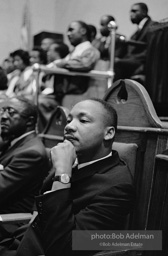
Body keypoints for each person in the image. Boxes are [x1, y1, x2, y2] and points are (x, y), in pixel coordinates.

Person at [12, 98, 134, 256]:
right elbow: (39, 207)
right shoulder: (73, 159)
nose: (68, 126)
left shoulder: (118, 187)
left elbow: (67, 246)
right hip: (21, 241)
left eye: (83, 120)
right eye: (69, 120)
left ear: (109, 133)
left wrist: (63, 173)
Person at [0, 96, 50, 216]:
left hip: (8, 221)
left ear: (29, 121)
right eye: (3, 111)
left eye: (11, 112)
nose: (3, 117)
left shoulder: (31, 154)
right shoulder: (13, 142)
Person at [114, 2, 156, 81]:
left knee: (117, 63)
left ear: (144, 12)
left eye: (134, 11)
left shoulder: (152, 26)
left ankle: (118, 91)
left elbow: (150, 47)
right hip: (134, 59)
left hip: (143, 62)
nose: (131, 14)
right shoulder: (139, 29)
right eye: (130, 11)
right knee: (114, 60)